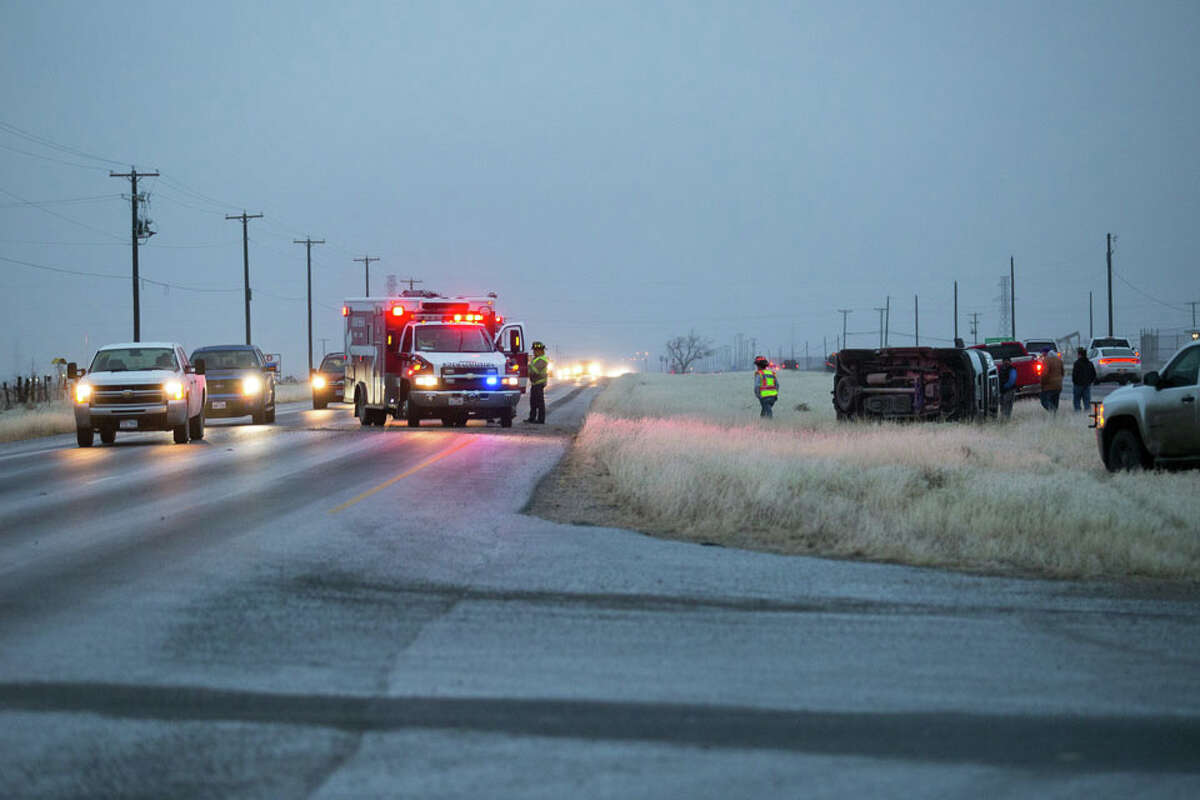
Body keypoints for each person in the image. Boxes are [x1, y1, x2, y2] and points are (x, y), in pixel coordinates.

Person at [525, 341, 549, 424]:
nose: (534, 352)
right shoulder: (535, 359)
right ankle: (532, 418)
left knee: (539, 402)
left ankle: (541, 419)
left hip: (539, 383)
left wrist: (528, 367)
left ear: (541, 351)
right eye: (534, 350)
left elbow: (535, 371)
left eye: (536, 350)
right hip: (535, 383)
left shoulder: (542, 360)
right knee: (533, 402)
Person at [1072, 346, 1098, 412]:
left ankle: (1078, 413)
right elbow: (1094, 374)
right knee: (1087, 400)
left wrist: (1075, 382)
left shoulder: (1077, 363)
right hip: (1087, 385)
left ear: (1080, 355)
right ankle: (1087, 413)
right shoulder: (1090, 363)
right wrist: (1090, 381)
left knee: (1077, 400)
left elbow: (1074, 375)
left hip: (1078, 385)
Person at [1040, 346, 1064, 413]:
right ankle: (1054, 417)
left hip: (1049, 386)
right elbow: (1063, 372)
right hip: (1058, 385)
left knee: (1044, 400)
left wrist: (1042, 383)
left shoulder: (1046, 360)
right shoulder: (1059, 360)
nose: (1042, 354)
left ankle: (1052, 411)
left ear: (1046, 353)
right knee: (1055, 401)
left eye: (1043, 352)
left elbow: (1045, 373)